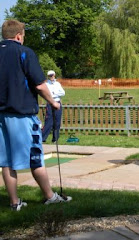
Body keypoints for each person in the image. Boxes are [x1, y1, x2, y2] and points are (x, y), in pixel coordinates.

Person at [0, 19, 72, 211]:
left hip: (1, 115)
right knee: (35, 157)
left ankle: (14, 202)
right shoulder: (24, 53)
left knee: (6, 161)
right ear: (18, 36)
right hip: (21, 115)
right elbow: (40, 85)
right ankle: (50, 196)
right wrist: (53, 102)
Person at [42, 70, 65, 143]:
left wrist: (54, 93)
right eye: (50, 76)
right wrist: (54, 94)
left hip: (57, 102)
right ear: (48, 76)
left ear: (54, 75)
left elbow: (63, 93)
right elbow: (46, 94)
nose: (51, 77)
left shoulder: (57, 84)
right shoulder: (46, 84)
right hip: (50, 103)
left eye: (52, 75)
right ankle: (43, 138)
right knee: (48, 121)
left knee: (57, 121)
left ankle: (55, 139)